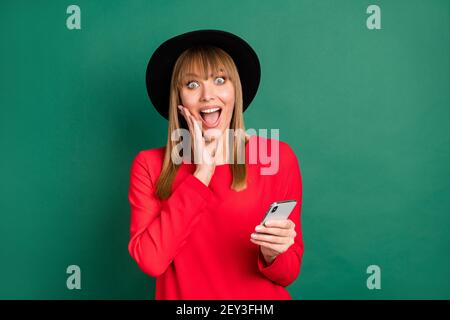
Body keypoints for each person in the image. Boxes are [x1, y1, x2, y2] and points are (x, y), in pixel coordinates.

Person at [128, 29, 304, 300]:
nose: (208, 96)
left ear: (236, 90)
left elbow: (289, 272)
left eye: (220, 80)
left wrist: (272, 254)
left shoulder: (275, 158)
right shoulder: (150, 165)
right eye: (192, 84)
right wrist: (202, 174)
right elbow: (152, 261)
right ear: (179, 99)